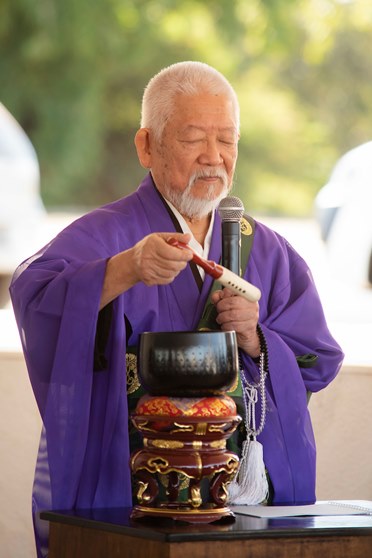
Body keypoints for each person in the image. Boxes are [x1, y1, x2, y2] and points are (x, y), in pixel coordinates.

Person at [10, 61, 344, 558]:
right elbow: (34, 294)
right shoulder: (107, 237)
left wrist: (256, 337)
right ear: (147, 145)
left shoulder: (267, 251)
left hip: (243, 498)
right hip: (131, 494)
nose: (214, 158)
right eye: (193, 139)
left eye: (227, 140)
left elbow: (318, 360)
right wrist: (123, 269)